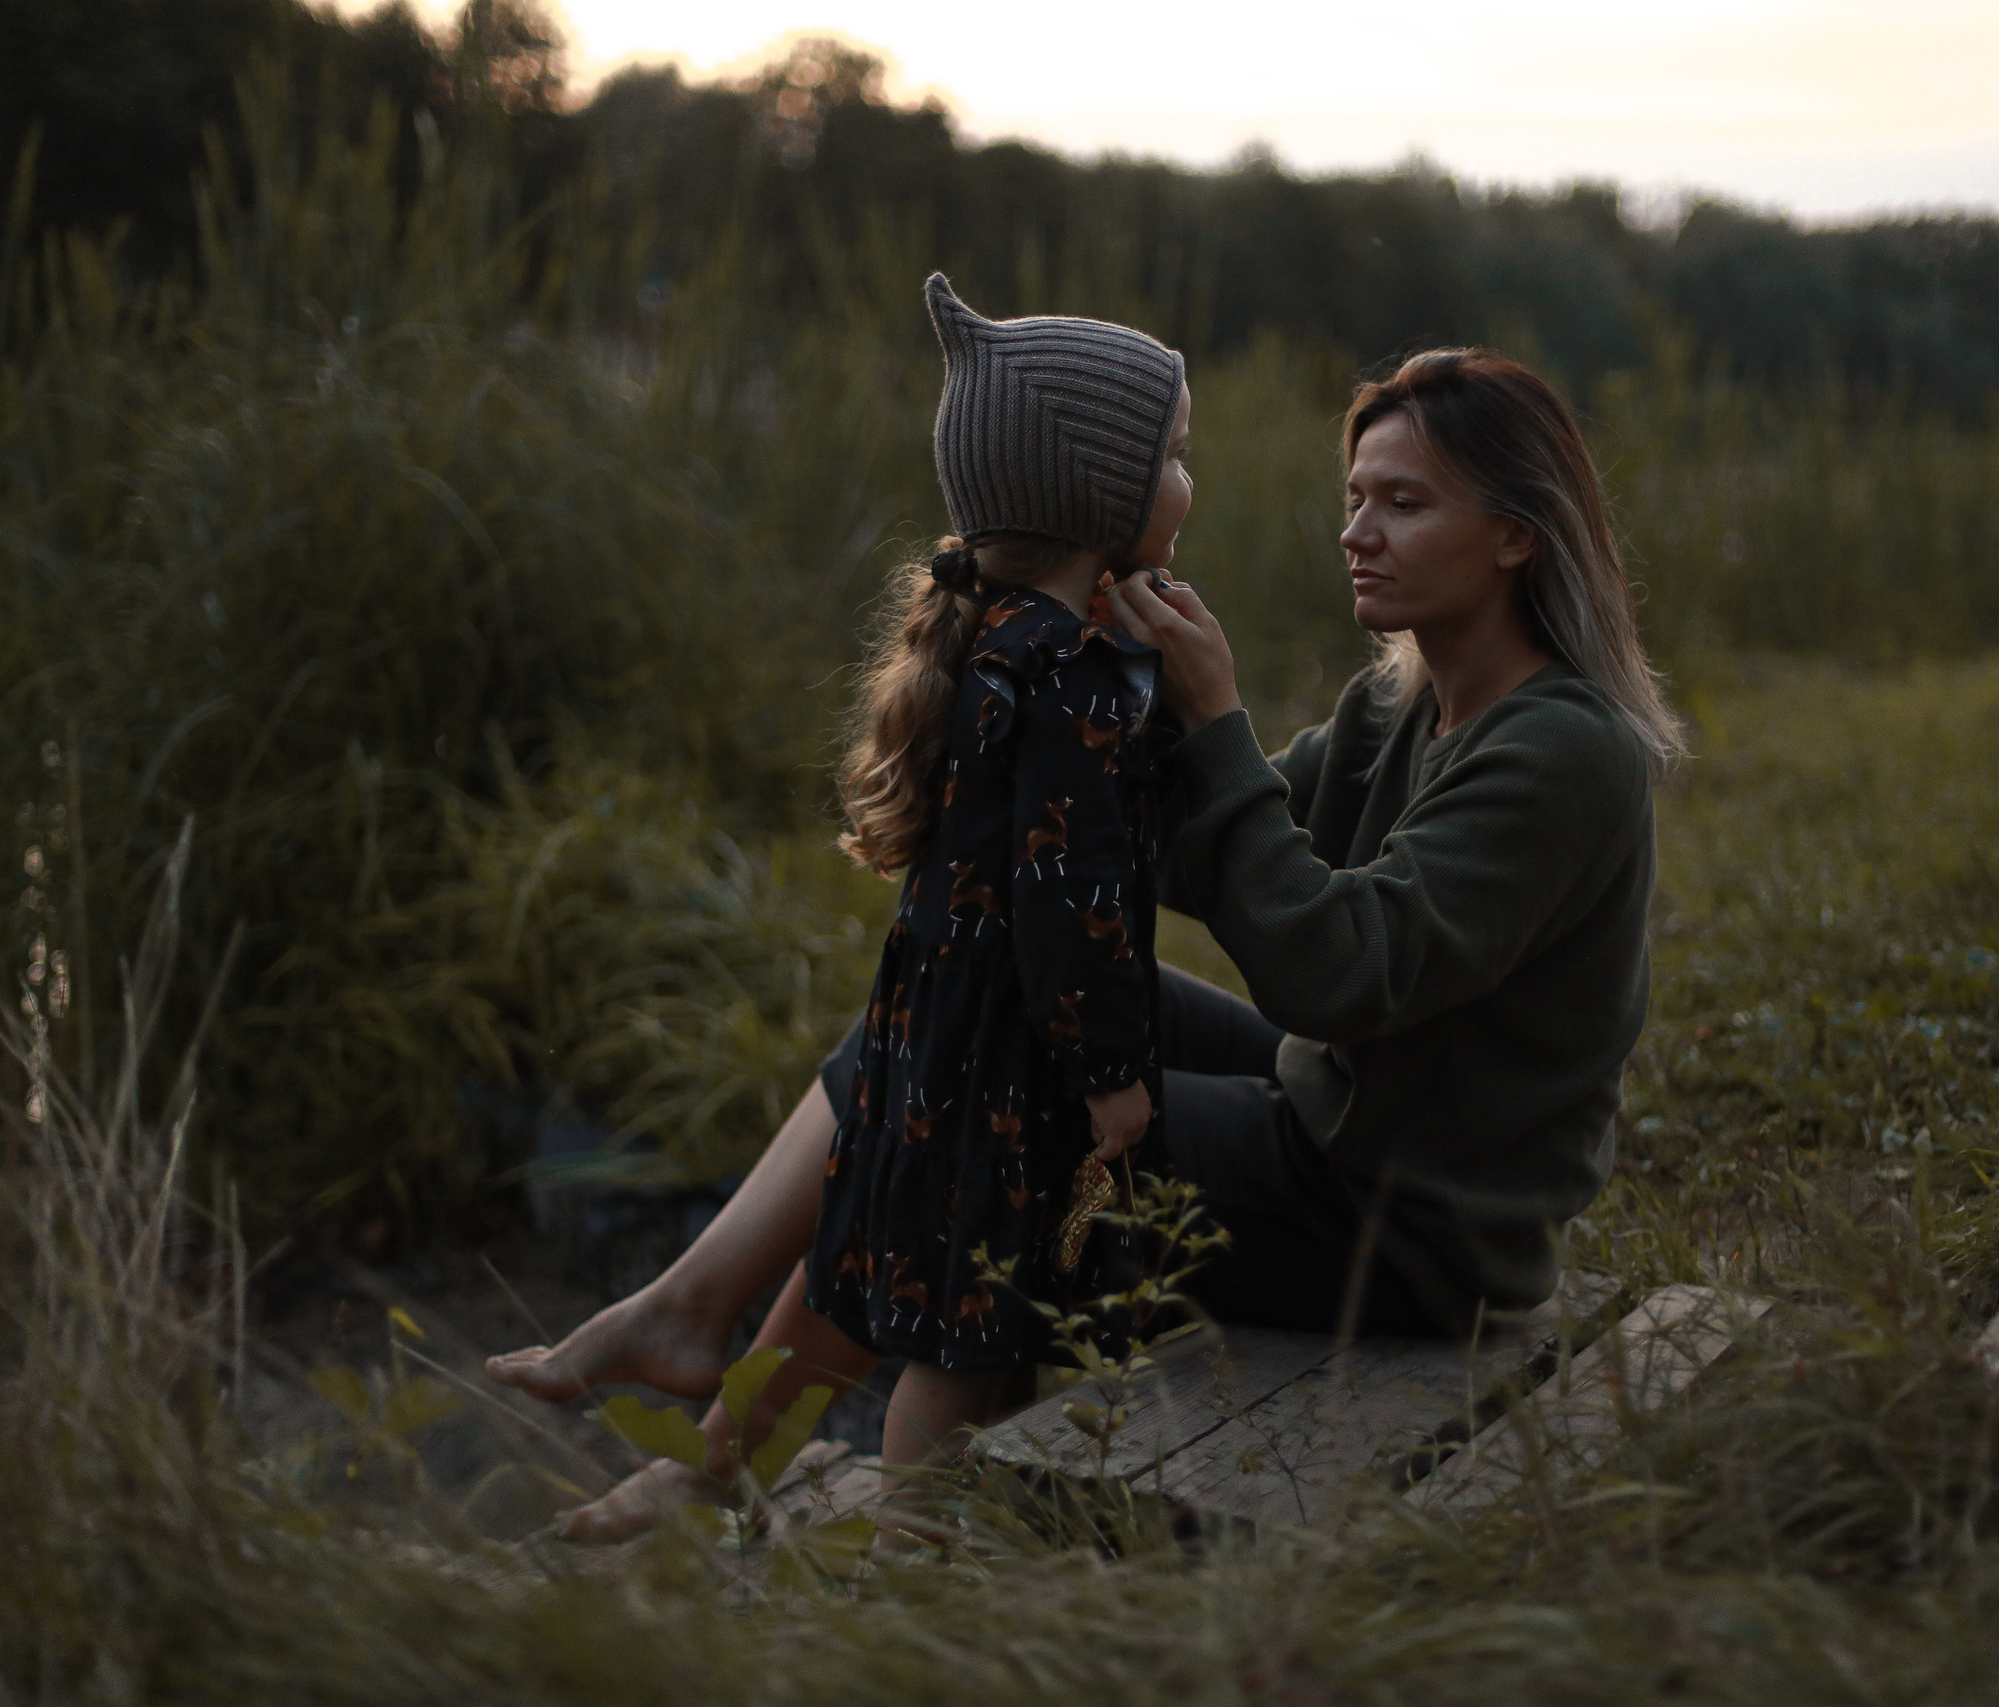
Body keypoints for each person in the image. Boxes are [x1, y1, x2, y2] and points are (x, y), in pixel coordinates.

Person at [486, 344, 1679, 1541]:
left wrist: (1216, 722)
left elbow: (1337, 970)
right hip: (1340, 1111)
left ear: (1518, 532)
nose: (1357, 532)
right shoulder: (1403, 702)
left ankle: (771, 1481)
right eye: (1355, 497)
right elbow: (1201, 850)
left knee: (982, 1123)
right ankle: (694, 1314)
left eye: (1405, 504)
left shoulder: (1564, 752)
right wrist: (1084, 696)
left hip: (1416, 1226)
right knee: (965, 1018)